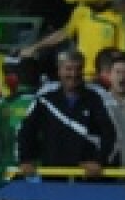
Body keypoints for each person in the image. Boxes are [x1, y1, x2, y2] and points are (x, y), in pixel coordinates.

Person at [16, 47, 117, 179]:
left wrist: (99, 160)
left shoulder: (95, 99)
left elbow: (109, 133)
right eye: (68, 69)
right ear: (59, 71)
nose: (73, 74)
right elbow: (26, 132)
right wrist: (25, 160)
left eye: (78, 69)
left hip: (86, 177)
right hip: (53, 175)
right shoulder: (44, 100)